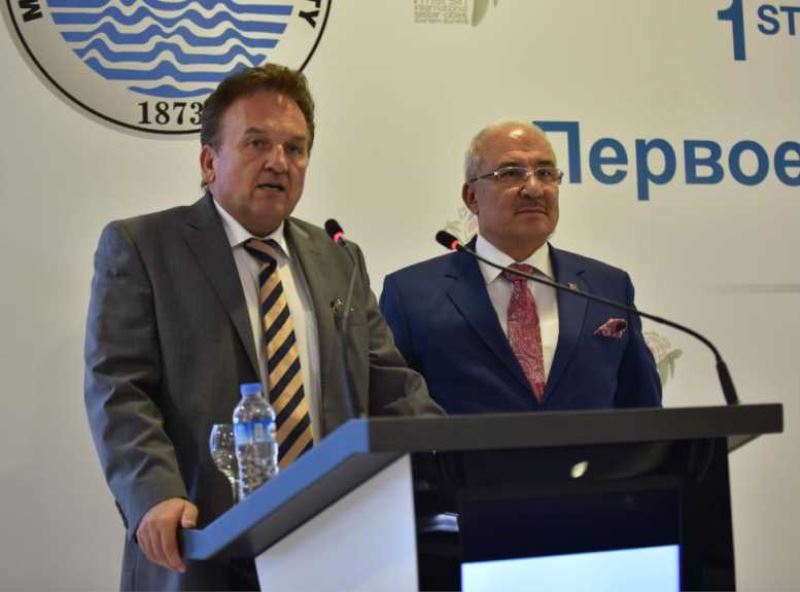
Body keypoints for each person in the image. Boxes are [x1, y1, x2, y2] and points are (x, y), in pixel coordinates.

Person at [84, 64, 442, 591]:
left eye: (295, 148)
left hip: (334, 546)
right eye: (256, 143)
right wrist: (154, 494)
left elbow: (392, 386)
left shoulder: (339, 258)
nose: (279, 162)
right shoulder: (144, 247)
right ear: (209, 161)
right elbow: (119, 387)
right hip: (201, 548)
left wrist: (456, 460)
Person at [380, 121, 661, 414]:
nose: (534, 188)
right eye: (511, 173)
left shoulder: (608, 287)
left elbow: (644, 413)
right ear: (472, 197)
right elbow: (393, 413)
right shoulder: (411, 296)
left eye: (546, 173)